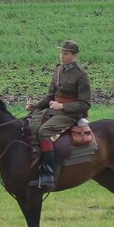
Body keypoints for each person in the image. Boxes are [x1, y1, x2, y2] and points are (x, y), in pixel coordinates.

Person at [25, 40, 92, 189]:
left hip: (71, 113)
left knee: (44, 131)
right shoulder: (58, 70)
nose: (62, 56)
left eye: (66, 53)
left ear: (74, 56)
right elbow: (50, 95)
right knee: (29, 123)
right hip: (54, 109)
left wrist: (62, 106)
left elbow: (85, 103)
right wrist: (35, 106)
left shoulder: (81, 75)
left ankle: (48, 173)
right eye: (61, 53)